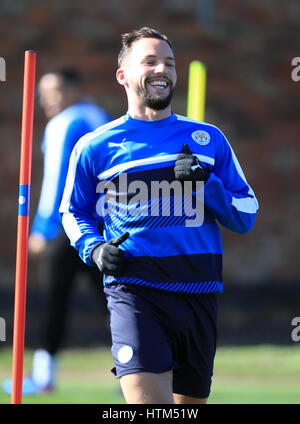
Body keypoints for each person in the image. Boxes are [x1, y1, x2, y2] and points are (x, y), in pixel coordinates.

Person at [59, 27, 259, 404]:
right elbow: (73, 211)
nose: (161, 70)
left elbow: (246, 214)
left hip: (199, 294)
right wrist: (95, 249)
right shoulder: (95, 146)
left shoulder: (208, 139)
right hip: (135, 291)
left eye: (168, 63)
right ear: (123, 75)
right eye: (149, 61)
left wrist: (206, 184)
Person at [3, 68, 112, 396]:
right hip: (107, 227)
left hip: (70, 227)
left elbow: (57, 181)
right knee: (116, 302)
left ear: (74, 89)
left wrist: (41, 227)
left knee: (54, 300)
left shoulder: (65, 123)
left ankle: (44, 375)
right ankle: (139, 369)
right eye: (42, 93)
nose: (45, 100)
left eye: (53, 91)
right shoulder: (104, 118)